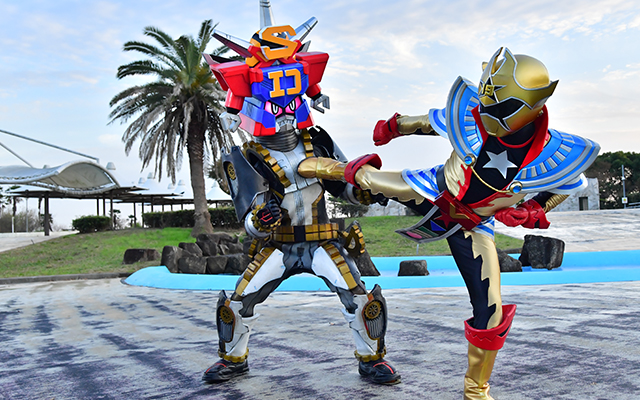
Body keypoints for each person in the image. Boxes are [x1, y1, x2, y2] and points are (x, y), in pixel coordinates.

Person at [298, 47, 600, 399]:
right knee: (369, 178)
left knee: (490, 311)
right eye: (485, 102)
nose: (486, 113)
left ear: (534, 105)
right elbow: (432, 122)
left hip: (475, 225)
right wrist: (395, 127)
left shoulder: (556, 152)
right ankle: (326, 167)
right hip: (434, 189)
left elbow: (569, 185)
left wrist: (533, 209)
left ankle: (476, 390)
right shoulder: (472, 113)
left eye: (499, 108)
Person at [200, 1, 400, 385]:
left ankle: (371, 359)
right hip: (278, 243)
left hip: (322, 241)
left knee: (360, 298)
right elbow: (250, 216)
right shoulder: (244, 156)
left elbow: (345, 184)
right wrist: (262, 217)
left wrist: (368, 191)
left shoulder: (318, 141)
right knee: (237, 303)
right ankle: (233, 359)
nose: (283, 110)